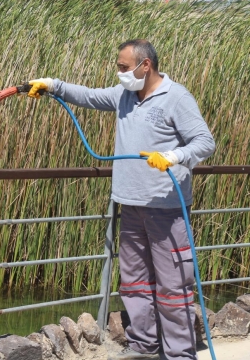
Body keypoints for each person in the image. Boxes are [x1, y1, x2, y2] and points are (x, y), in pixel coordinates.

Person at [28, 39, 215, 360]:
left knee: (172, 289)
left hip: (166, 211)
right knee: (135, 284)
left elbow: (205, 142)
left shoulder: (177, 98)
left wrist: (173, 155)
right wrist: (51, 85)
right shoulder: (125, 95)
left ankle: (180, 355)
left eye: (124, 67)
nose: (120, 74)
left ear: (146, 66)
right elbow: (88, 96)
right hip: (129, 206)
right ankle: (143, 348)